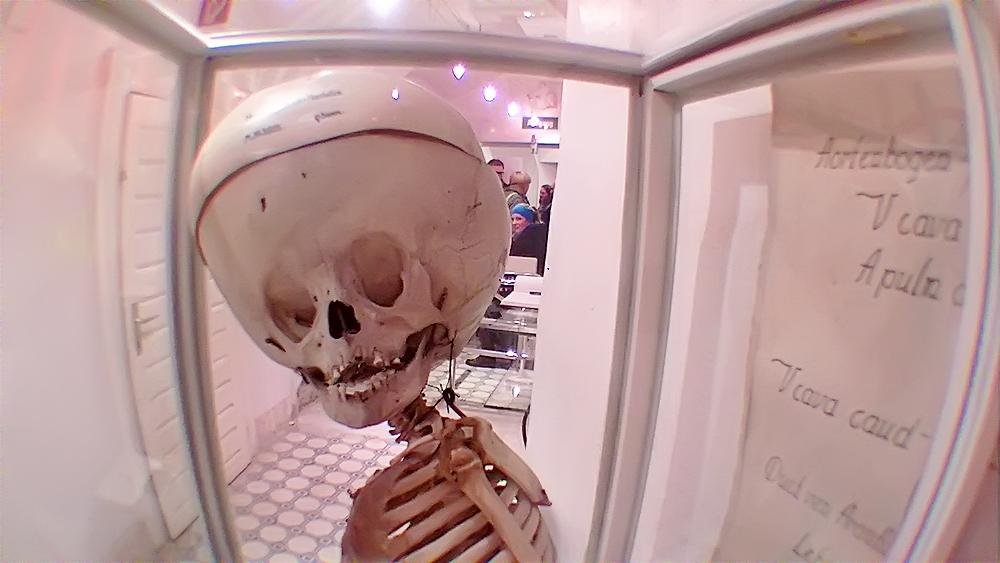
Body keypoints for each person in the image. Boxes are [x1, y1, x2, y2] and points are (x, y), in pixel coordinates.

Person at [510, 204, 548, 275]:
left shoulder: (527, 240)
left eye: (519, 219)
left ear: (529, 220)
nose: (514, 223)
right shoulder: (515, 237)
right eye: (512, 219)